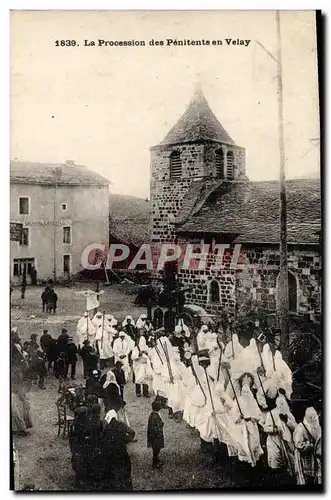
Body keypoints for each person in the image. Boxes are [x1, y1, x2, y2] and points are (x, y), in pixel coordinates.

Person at [101, 410, 134, 490]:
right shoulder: (122, 425)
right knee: (125, 471)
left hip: (111, 453)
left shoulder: (106, 428)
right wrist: (126, 440)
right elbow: (132, 432)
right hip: (122, 452)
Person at [293, 407, 322, 485]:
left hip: (312, 456)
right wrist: (310, 445)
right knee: (305, 478)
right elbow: (298, 445)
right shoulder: (300, 428)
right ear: (309, 417)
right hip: (303, 458)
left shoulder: (314, 425)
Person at [131, 332, 151, 398]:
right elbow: (133, 357)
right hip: (138, 365)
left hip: (145, 365)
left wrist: (147, 353)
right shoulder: (136, 348)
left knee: (146, 379)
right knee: (138, 378)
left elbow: (150, 356)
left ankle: (146, 392)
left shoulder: (147, 348)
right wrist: (139, 354)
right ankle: (138, 392)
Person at [147, 400, 165, 469]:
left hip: (154, 437)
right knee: (156, 449)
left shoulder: (152, 415)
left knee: (156, 449)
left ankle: (156, 460)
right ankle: (155, 462)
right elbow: (156, 427)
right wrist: (161, 424)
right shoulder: (155, 417)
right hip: (156, 437)